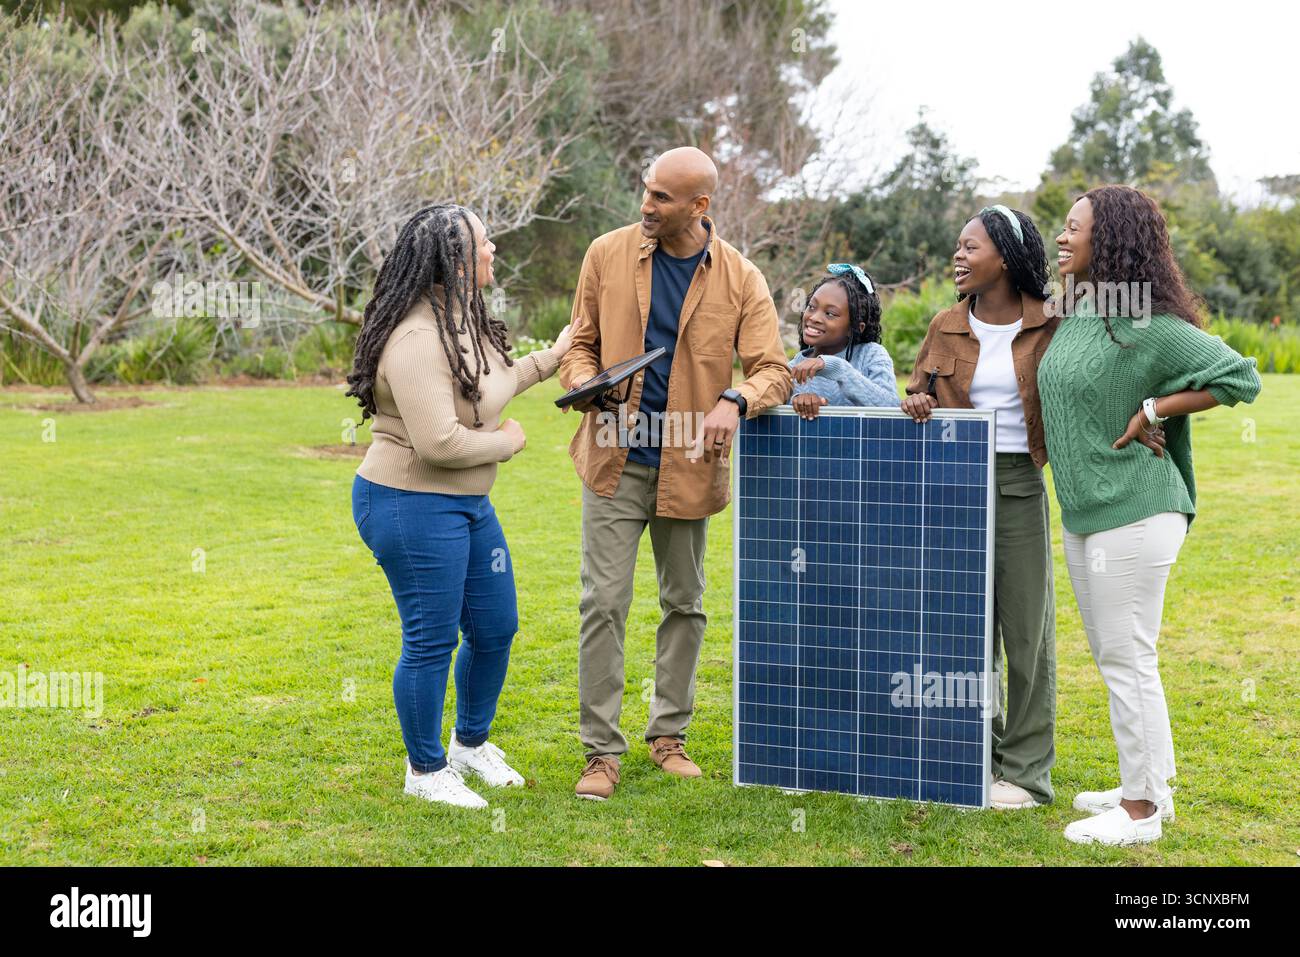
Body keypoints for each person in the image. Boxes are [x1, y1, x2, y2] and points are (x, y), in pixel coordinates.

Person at [559, 146, 792, 800]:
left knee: (684, 604)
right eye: (646, 189)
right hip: (613, 454)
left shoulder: (742, 278)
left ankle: (669, 736)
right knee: (602, 602)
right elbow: (579, 344)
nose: (646, 204)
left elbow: (772, 366)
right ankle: (602, 753)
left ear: (700, 205)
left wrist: (736, 398)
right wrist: (585, 382)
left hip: (690, 463)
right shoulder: (606, 254)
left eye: (662, 196)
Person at [1040, 184, 1262, 845]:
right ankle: (1149, 783)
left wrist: (1157, 410)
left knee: (1126, 657)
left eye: (1073, 227)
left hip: (1135, 509)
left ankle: (1140, 813)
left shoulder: (1151, 324)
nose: (1061, 237)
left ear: (1106, 240)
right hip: (1087, 512)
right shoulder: (1084, 311)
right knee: (1121, 654)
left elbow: (1239, 376)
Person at [345, 203, 575, 809]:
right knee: (431, 639)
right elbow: (440, 442)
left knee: (496, 626)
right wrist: (507, 443)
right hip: (408, 502)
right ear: (452, 260)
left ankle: (470, 745)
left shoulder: (460, 321)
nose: (493, 248)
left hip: (466, 505)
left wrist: (557, 354)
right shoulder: (418, 338)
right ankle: (424, 769)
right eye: (483, 242)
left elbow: (493, 387)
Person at [903, 205, 1087, 811]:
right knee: (962, 632)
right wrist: (919, 404)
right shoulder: (944, 325)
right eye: (957, 246)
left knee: (1026, 633)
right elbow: (918, 392)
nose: (958, 256)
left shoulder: (1052, 321)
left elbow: (1088, 382)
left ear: (1004, 258)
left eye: (970, 247)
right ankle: (969, 758)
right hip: (953, 485)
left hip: (1016, 486)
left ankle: (1027, 773)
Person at [788, 263, 898, 419]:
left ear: (855, 327)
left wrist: (839, 369)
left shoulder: (871, 355)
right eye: (811, 307)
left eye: (830, 314)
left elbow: (891, 407)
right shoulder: (793, 368)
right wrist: (797, 402)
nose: (814, 317)